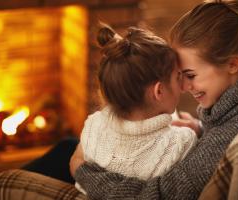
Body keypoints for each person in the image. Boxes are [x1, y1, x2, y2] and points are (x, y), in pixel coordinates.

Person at [0, 0, 238, 199]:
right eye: (180, 74)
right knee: (67, 145)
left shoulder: (233, 130)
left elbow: (155, 195)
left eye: (190, 74)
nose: (184, 84)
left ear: (232, 64)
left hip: (122, 190)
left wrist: (83, 170)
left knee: (8, 182)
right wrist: (199, 129)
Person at [72, 24, 196, 193]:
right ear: (159, 91)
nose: (183, 86)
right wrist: (198, 129)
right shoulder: (182, 142)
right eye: (178, 77)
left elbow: (76, 162)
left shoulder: (94, 125)